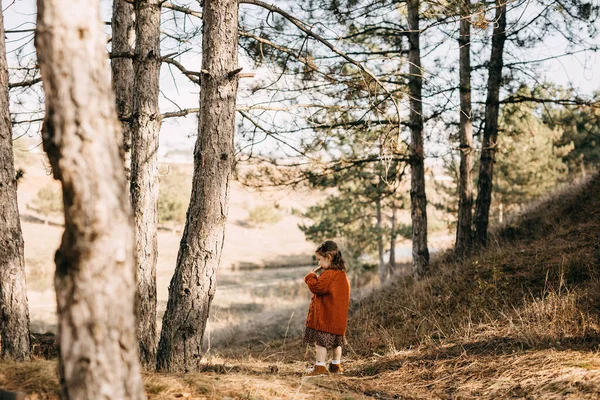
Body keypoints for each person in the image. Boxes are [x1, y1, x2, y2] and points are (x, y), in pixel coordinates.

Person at [303, 240, 351, 376]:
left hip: (327, 318)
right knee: (337, 343)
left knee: (321, 343)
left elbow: (317, 287)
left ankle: (320, 367)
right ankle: (336, 365)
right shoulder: (341, 274)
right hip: (338, 319)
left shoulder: (329, 274)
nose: (318, 263)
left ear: (328, 258)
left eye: (319, 260)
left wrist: (310, 277)